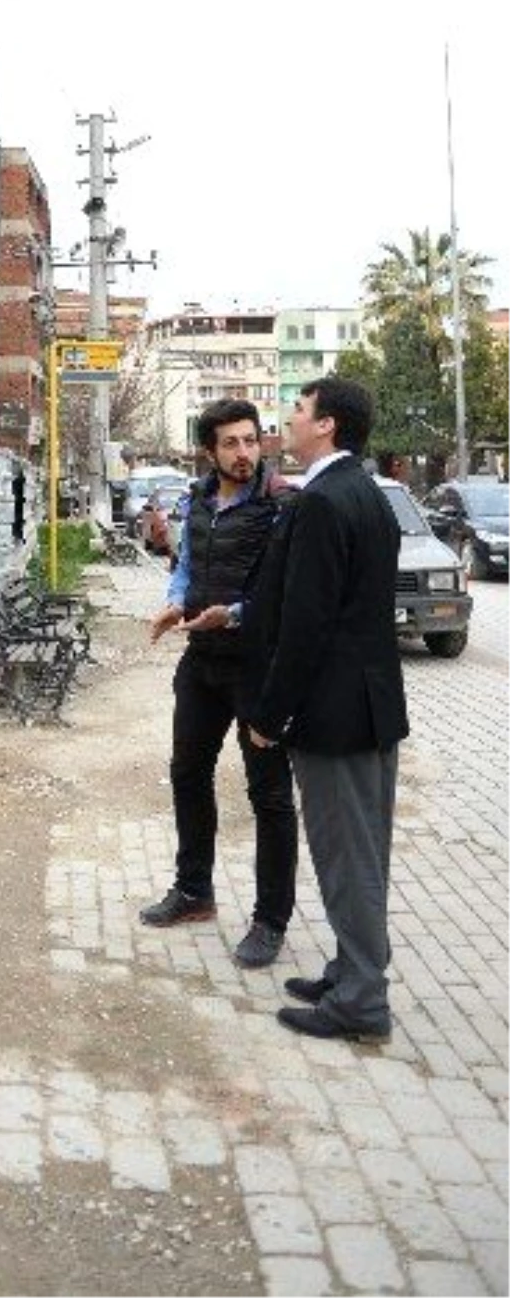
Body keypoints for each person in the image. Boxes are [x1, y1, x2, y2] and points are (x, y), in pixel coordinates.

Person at [243, 376, 407, 1042]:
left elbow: (306, 624)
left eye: (301, 409)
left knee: (347, 857)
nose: (290, 417)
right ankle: (350, 967)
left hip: (335, 716)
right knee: (365, 851)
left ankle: (363, 1000)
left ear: (328, 425)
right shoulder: (367, 493)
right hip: (373, 705)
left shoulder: (320, 502)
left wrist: (269, 713)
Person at [141, 400, 297, 968]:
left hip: (256, 665)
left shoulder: (281, 505)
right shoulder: (198, 499)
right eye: (231, 443)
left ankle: (270, 921)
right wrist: (176, 602)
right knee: (187, 773)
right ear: (211, 450)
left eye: (251, 441)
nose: (243, 453)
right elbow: (184, 562)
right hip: (202, 661)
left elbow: (287, 591)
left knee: (270, 796)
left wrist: (233, 613)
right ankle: (193, 892)